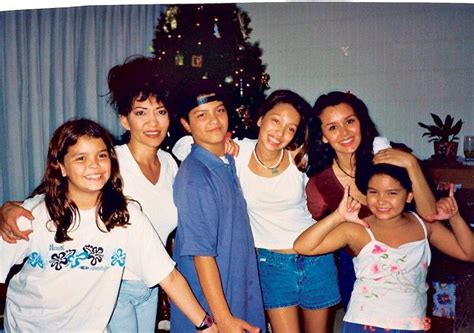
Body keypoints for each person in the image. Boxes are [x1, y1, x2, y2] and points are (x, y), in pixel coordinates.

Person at [0, 55, 181, 332]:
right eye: (141, 112)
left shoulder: (171, 165)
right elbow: (50, 197)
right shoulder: (106, 162)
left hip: (149, 286)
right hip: (106, 286)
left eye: (161, 111)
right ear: (124, 119)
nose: (153, 122)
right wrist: (8, 209)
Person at [0, 118, 217, 332]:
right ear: (61, 167)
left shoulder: (126, 217)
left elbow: (168, 277)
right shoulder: (33, 214)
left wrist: (206, 325)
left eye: (101, 155)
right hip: (27, 326)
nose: (94, 165)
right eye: (81, 158)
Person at [173, 89, 340, 332]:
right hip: (271, 262)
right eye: (275, 121)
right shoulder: (236, 155)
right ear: (261, 118)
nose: (280, 133)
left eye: (290, 128)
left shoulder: (300, 157)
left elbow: (342, 165)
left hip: (314, 256)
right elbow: (191, 149)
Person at [294, 163, 474, 332]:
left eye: (392, 193)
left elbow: (468, 253)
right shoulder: (357, 229)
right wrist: (338, 216)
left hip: (411, 324)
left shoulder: (424, 225)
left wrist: (455, 217)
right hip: (365, 322)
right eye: (374, 192)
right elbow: (303, 246)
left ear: (409, 195)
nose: (381, 200)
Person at [305, 91, 437, 309]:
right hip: (358, 268)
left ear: (361, 123)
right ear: (323, 136)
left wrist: (412, 164)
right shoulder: (320, 185)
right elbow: (322, 237)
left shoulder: (391, 158)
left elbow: (429, 214)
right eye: (333, 127)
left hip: (407, 261)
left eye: (350, 121)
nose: (345, 133)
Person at [170, 81, 265, 333]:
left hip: (236, 282)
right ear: (186, 124)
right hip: (214, 300)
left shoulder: (226, 160)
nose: (214, 120)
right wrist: (222, 319)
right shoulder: (195, 176)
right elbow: (201, 254)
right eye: (202, 115)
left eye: (219, 110)